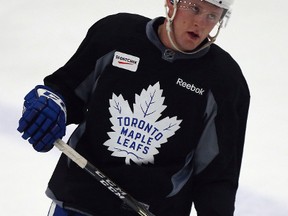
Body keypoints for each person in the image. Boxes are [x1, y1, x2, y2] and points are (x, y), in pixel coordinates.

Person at [17, 0, 250, 215]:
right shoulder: (116, 35)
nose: (201, 22)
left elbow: (218, 174)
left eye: (212, 15)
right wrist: (52, 105)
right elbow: (66, 90)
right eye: (195, 8)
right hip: (78, 201)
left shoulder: (224, 81)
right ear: (171, 3)